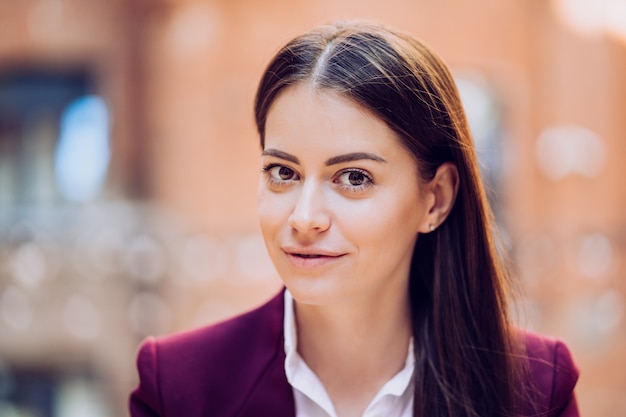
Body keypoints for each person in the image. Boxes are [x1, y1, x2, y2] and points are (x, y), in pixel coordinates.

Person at [129, 21, 580, 417]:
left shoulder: (536, 390)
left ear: (436, 200)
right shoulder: (177, 387)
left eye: (354, 177)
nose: (304, 218)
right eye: (282, 173)